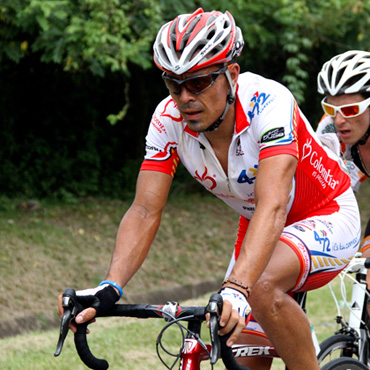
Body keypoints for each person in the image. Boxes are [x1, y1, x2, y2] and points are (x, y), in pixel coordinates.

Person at [58, 9, 361, 369]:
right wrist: (111, 286)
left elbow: (274, 205)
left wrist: (238, 286)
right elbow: (144, 210)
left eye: (198, 82)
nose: (184, 97)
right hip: (258, 228)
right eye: (174, 85)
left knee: (258, 286)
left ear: (231, 74)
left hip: (325, 213)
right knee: (237, 346)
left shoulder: (269, 101)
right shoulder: (167, 120)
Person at [316, 49, 370, 305]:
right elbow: (327, 190)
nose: (339, 120)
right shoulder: (330, 129)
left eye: (350, 109)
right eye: (331, 108)